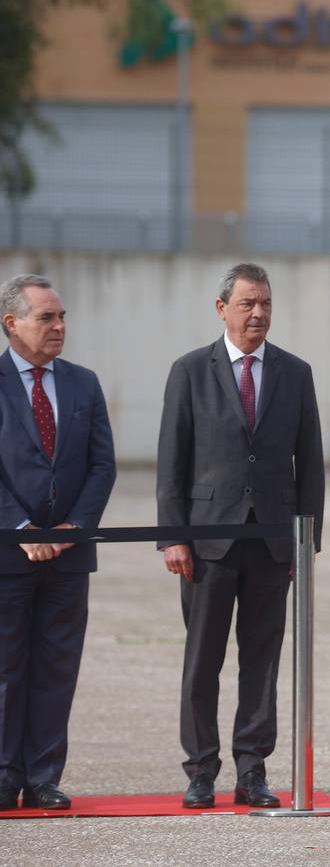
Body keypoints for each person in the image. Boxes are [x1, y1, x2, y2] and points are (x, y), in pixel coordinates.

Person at [157, 263, 324, 809]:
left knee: (262, 658)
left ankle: (252, 769)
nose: (259, 314)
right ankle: (201, 769)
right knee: (203, 659)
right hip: (206, 543)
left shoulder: (295, 373)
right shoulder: (189, 371)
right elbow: (171, 462)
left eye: (267, 304)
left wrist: (308, 541)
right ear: (221, 307)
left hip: (273, 542)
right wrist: (172, 536)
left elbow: (312, 466)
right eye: (248, 303)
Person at [0, 274, 116, 811]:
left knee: (56, 668)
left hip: (70, 557)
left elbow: (102, 464)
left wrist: (73, 529)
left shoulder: (83, 383)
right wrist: (22, 529)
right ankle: (3, 775)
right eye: (47, 317)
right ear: (12, 323)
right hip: (7, 553)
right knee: (6, 667)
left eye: (62, 317)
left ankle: (44, 777)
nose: (59, 327)